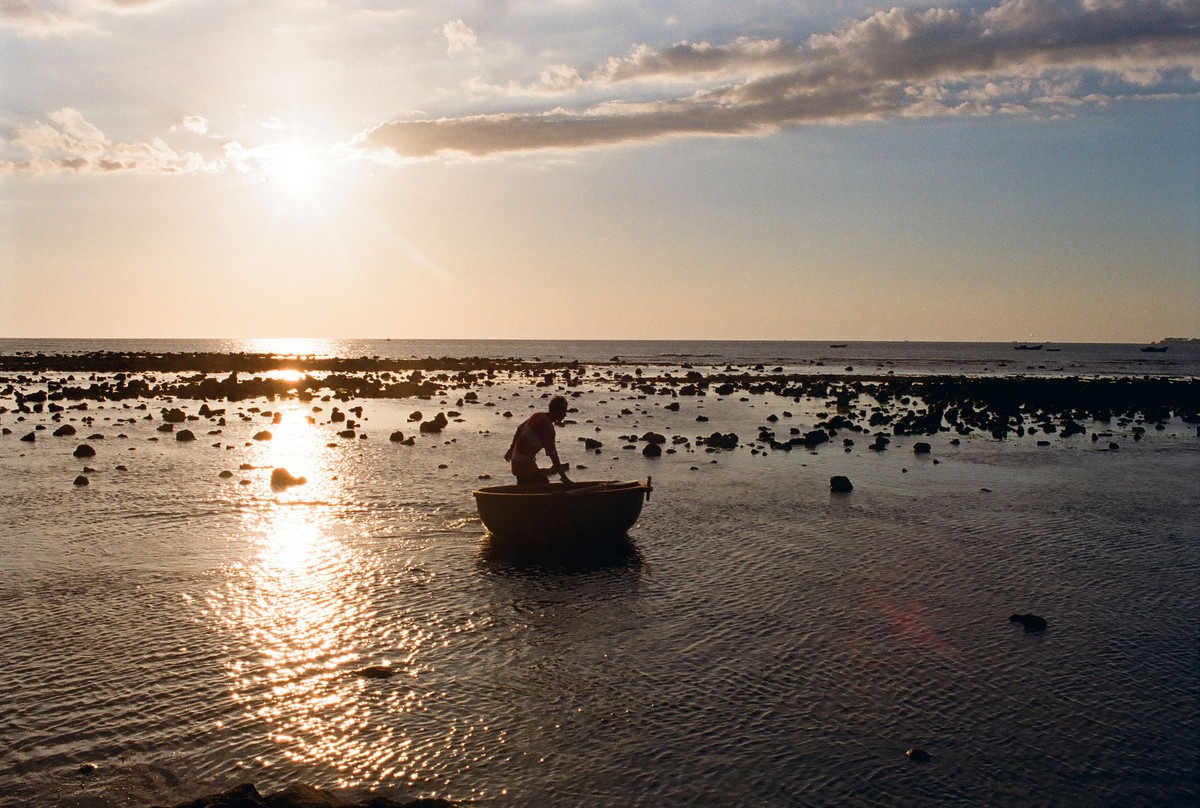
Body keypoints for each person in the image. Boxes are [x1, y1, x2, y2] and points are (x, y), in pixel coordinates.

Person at [505, 395, 572, 485]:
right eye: (563, 411)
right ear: (556, 410)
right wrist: (564, 478)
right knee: (544, 485)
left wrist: (511, 449)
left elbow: (519, 430)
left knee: (526, 488)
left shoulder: (537, 415)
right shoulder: (548, 427)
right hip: (524, 465)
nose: (565, 415)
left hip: (516, 461)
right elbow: (553, 455)